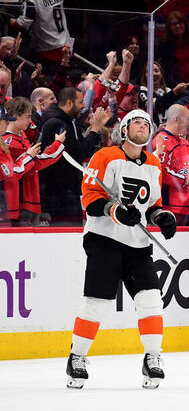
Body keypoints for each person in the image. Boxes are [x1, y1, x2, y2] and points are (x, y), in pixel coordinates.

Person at [65, 110, 177, 390]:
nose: (142, 126)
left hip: (137, 245)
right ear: (124, 130)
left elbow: (152, 205)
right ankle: (76, 357)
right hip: (104, 239)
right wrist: (114, 210)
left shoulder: (153, 163)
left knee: (151, 299)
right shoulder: (105, 156)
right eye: (136, 122)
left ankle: (153, 357)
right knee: (97, 301)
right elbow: (91, 199)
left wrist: (162, 217)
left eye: (146, 123)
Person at [39, 87, 111, 226]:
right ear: (69, 103)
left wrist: (97, 128)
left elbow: (86, 150)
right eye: (80, 102)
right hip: (57, 194)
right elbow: (79, 153)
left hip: (70, 191)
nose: (84, 106)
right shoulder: (56, 124)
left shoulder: (71, 123)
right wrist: (94, 129)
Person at [2, 98, 66, 226]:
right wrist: (57, 144)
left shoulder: (21, 135)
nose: (30, 121)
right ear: (15, 116)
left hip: (30, 196)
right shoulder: (8, 142)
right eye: (27, 117)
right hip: (20, 201)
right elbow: (35, 163)